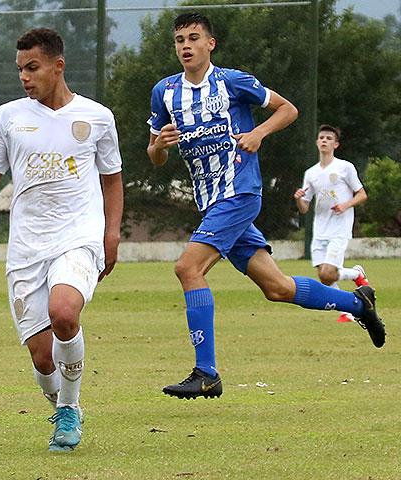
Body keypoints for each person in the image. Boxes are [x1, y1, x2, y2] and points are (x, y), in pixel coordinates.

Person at [146, 13, 385, 400]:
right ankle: (356, 302)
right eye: (179, 40)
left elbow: (288, 109)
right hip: (210, 202)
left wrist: (258, 133)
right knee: (276, 287)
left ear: (211, 44)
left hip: (239, 192)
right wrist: (159, 146)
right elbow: (154, 155)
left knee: (187, 267)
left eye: (193, 38)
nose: (185, 45)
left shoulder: (232, 82)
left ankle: (206, 372)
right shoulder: (165, 92)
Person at [0, 28, 123, 451]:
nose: (24, 76)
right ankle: (59, 403)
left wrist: (111, 232)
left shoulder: (97, 117)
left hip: (78, 237)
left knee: (64, 312)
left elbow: (112, 180)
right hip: (26, 247)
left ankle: (70, 411)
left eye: (33, 67)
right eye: (20, 69)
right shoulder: (7, 118)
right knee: (42, 357)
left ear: (58, 66)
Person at [294, 125, 370, 323]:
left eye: (329, 138)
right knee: (324, 276)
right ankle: (348, 300)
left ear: (335, 144)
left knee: (329, 272)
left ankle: (353, 285)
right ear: (317, 142)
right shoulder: (311, 173)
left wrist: (346, 205)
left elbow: (362, 194)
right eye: (321, 137)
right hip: (320, 229)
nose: (324, 140)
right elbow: (304, 208)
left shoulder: (345, 167)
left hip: (339, 228)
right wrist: (298, 198)